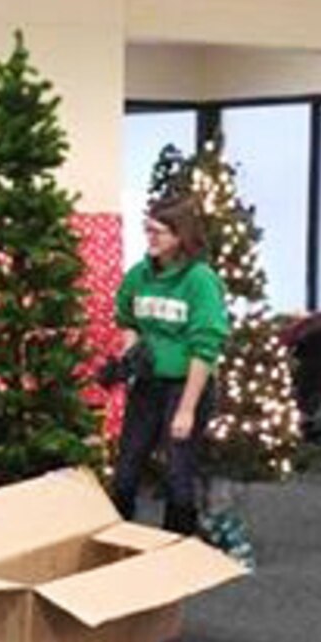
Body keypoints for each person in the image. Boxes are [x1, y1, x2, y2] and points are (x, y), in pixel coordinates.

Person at [110, 195, 230, 536]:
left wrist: (187, 410)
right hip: (149, 383)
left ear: (180, 236)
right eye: (147, 230)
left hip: (187, 384)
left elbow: (205, 348)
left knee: (178, 470)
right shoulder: (140, 274)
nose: (150, 238)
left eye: (158, 232)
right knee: (127, 466)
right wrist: (131, 357)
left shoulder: (200, 280)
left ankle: (179, 545)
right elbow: (127, 316)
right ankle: (117, 541)